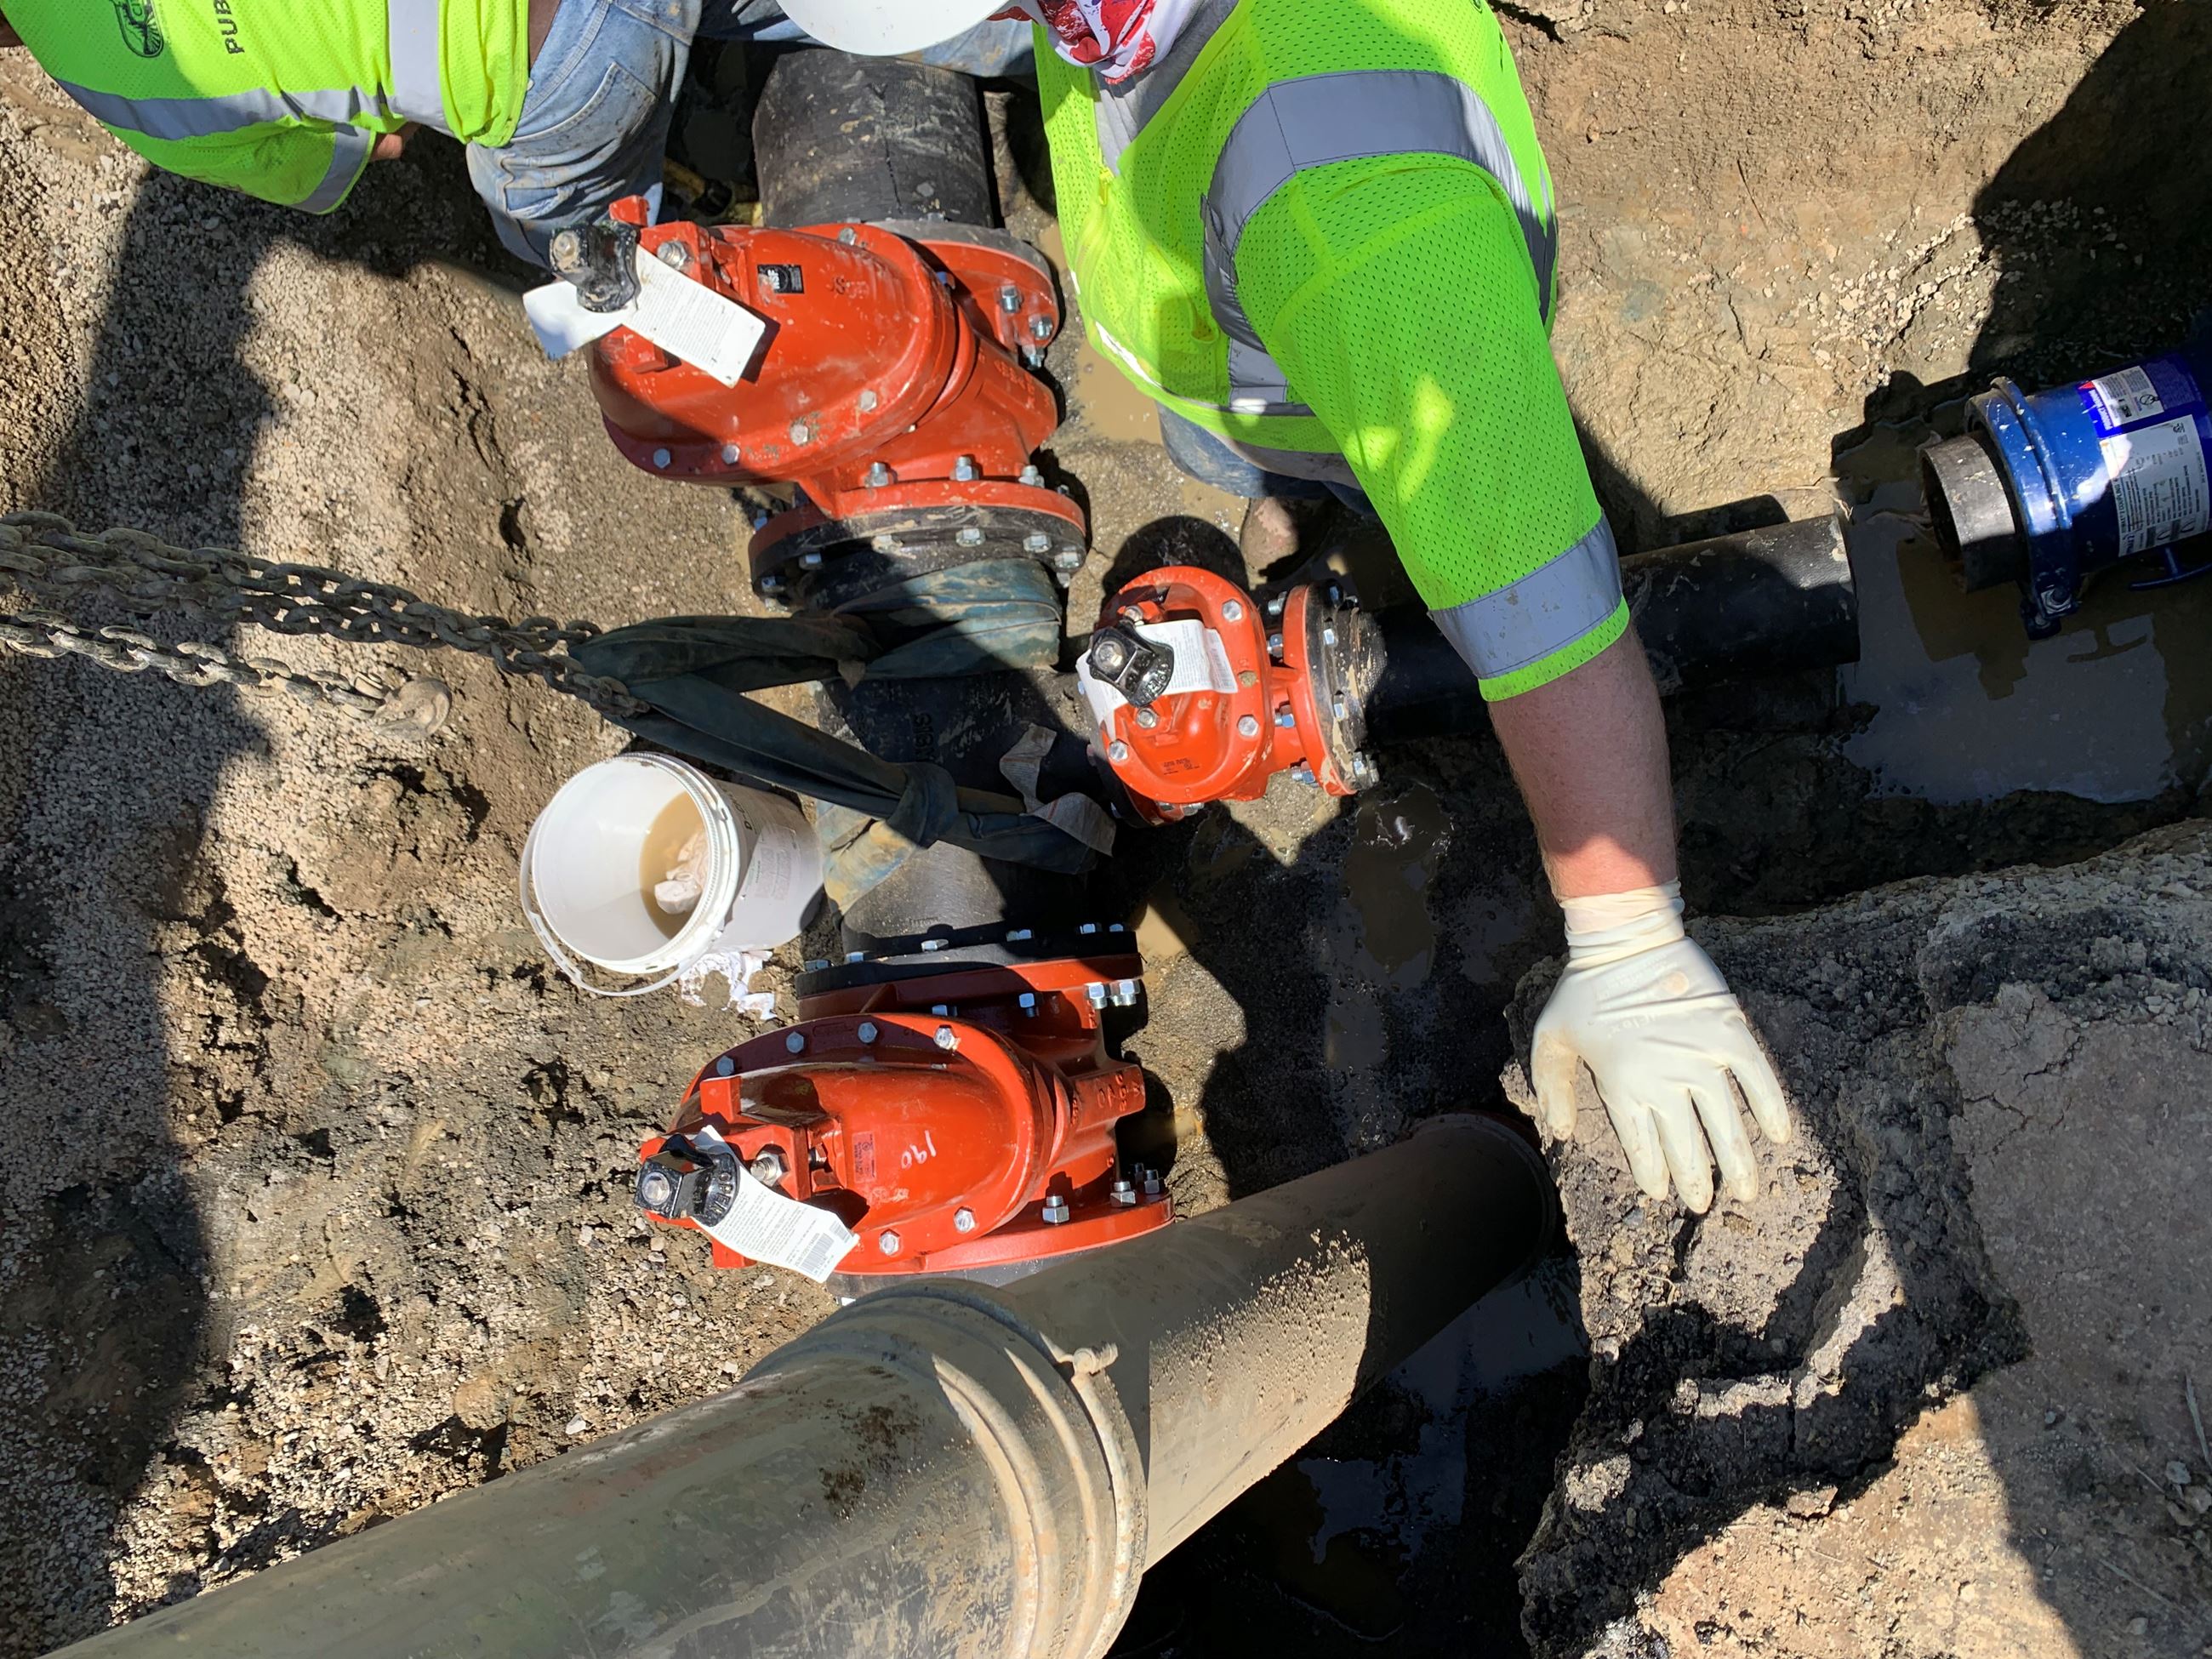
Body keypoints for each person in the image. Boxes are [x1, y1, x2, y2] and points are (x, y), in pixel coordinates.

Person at [778, 0, 1794, 1214]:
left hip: (1367, 312)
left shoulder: (1349, 206)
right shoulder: (1139, 37)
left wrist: (1628, 939)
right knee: (1288, 456)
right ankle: (1322, 500)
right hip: (1273, 343)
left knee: (1470, 531)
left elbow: (1552, 623)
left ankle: (1367, 517)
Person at [0, 0, 1021, 265]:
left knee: (558, 238)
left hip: (565, 63)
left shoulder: (115, 88)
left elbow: (373, 152)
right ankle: (1064, 35)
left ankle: (743, 289)